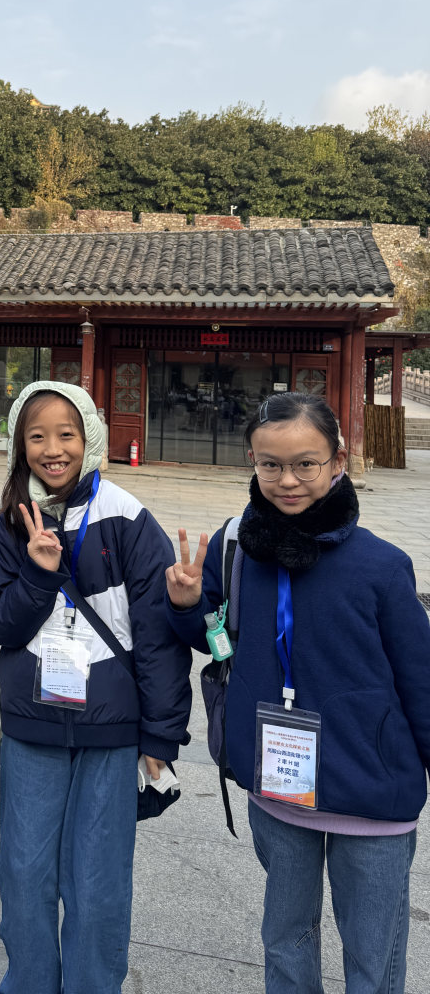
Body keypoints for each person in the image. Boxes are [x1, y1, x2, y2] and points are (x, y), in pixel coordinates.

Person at [166, 391, 430, 994]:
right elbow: (213, 638)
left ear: (338, 460)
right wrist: (185, 604)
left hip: (371, 795)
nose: (287, 480)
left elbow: (420, 680)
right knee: (285, 940)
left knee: (373, 956)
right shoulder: (236, 550)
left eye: (306, 464)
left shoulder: (382, 566)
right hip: (279, 787)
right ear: (252, 463)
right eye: (271, 464)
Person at [0, 381, 191, 994]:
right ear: (19, 445)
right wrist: (38, 573)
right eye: (37, 436)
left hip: (111, 733)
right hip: (32, 725)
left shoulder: (126, 518)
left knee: (97, 885)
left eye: (66, 434)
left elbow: (157, 636)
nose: (53, 449)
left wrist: (161, 735)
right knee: (23, 874)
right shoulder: (8, 522)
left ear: (89, 438)